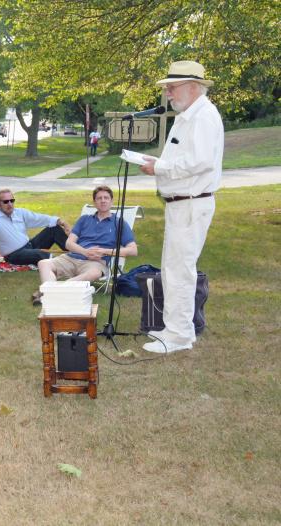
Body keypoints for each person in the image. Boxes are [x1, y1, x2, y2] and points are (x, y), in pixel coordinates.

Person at [139, 60, 222, 354]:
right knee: (172, 269)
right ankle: (172, 328)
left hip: (190, 204)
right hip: (180, 205)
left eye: (172, 88)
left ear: (191, 87)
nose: (168, 93)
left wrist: (159, 167)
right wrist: (158, 166)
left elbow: (201, 162)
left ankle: (180, 335)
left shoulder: (204, 117)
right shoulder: (189, 115)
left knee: (180, 270)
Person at [37, 185, 138, 304]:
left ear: (111, 201)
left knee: (94, 273)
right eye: (99, 198)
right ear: (95, 202)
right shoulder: (84, 219)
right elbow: (69, 243)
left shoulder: (119, 223)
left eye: (106, 198)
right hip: (73, 257)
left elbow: (133, 250)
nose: (103, 200)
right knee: (43, 263)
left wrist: (105, 251)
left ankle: (53, 291)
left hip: (95, 263)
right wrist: (85, 252)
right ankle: (54, 292)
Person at [0, 189, 71, 266]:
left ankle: (76, 253)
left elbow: (39, 218)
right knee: (41, 254)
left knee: (54, 228)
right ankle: (65, 264)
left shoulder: (20, 212)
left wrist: (62, 222)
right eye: (6, 202)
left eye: (12, 200)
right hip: (14, 255)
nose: (10, 204)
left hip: (29, 246)